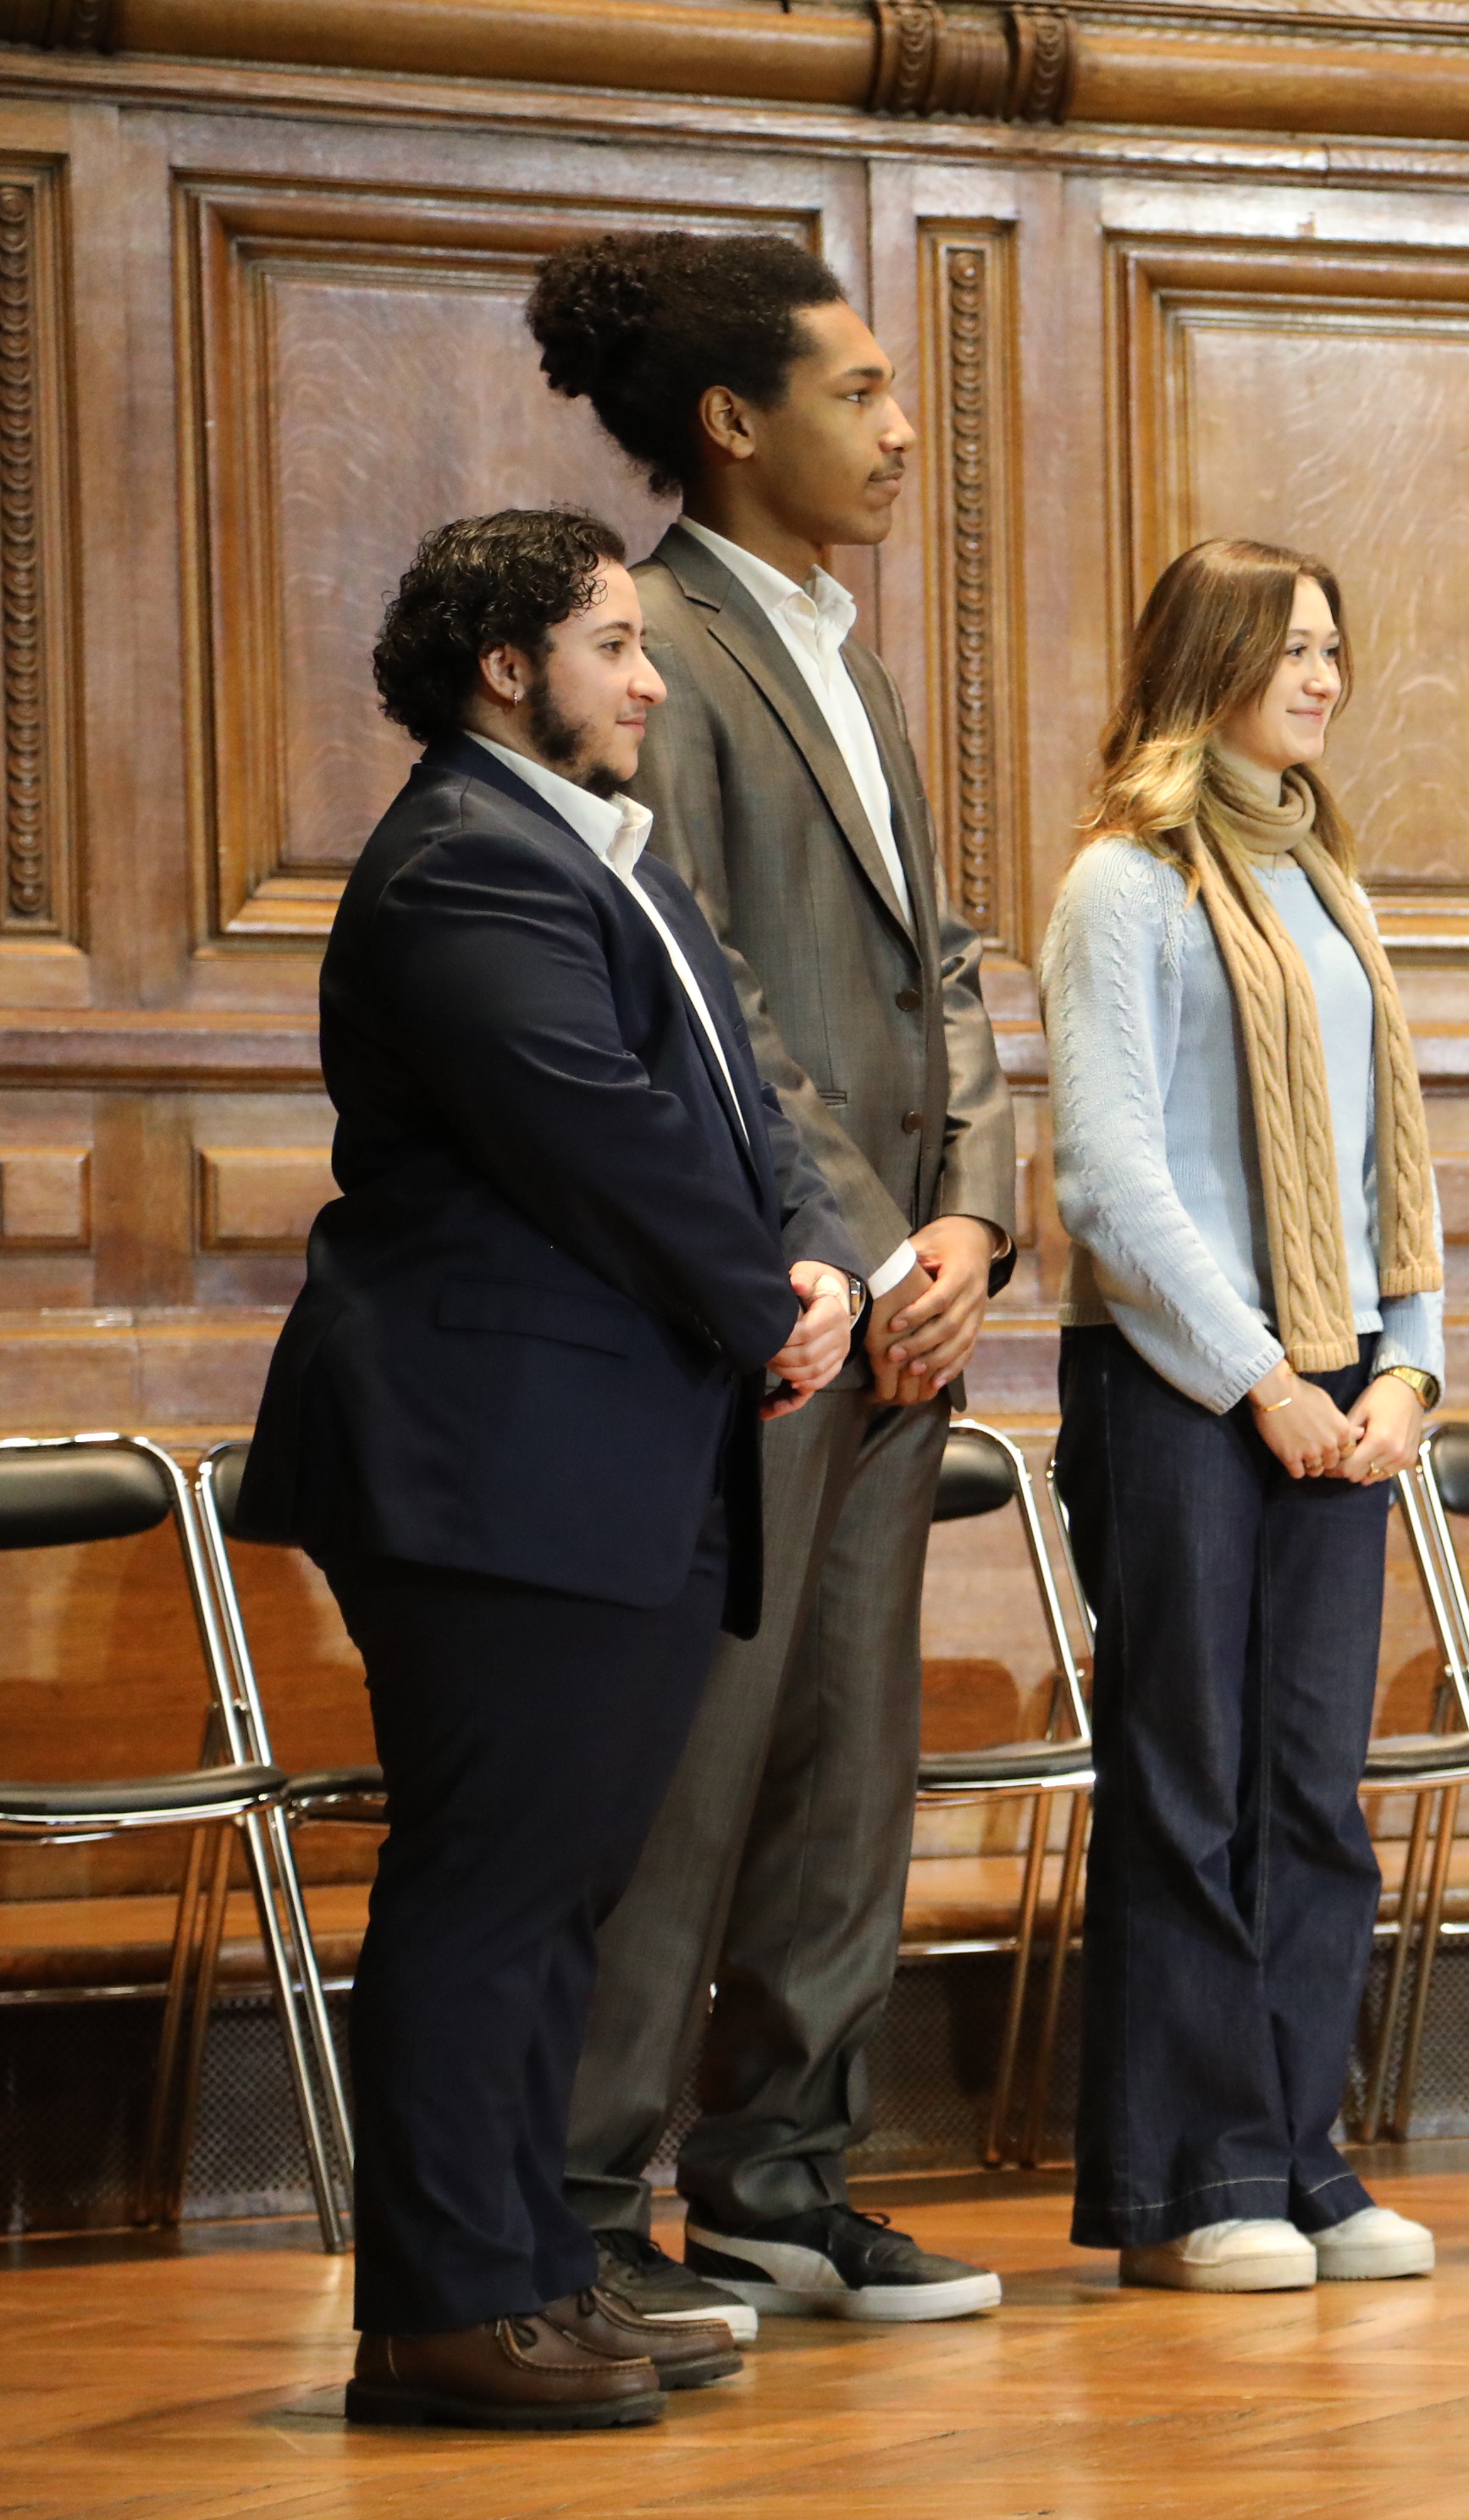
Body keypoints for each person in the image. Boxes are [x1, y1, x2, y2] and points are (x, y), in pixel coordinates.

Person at [235, 510, 859, 2426]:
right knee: (491, 1891)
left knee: (556, 1891)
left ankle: (529, 2266)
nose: (650, 677)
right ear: (508, 669)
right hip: (492, 1452)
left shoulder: (594, 852)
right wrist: (768, 1298)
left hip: (604, 1444)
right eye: (612, 643)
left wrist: (810, 1255)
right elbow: (593, 1131)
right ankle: (441, 2307)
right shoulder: (464, 865)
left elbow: (727, 1106)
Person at [524, 231, 1018, 2329]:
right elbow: (707, 987)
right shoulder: (670, 645)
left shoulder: (845, 646)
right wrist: (867, 1244)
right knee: (700, 1767)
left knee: (847, 1758)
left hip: (905, 1301)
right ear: (735, 422)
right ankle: (571, 2206)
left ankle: (781, 2180)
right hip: (770, 1316)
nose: (904, 430)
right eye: (864, 389)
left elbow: (949, 976)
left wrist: (980, 1215)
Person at [1041, 539, 1449, 2293]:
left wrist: (1409, 1358)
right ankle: (1192, 2180)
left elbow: (1382, 1160)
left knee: (1310, 1792)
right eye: (1293, 647)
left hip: (1343, 1378)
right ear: (1206, 657)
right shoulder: (1123, 885)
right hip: (1184, 1383)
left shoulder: (1326, 880)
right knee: (1184, 1783)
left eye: (1337, 649)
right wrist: (1263, 1377)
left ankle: (1302, 2154)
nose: (1326, 676)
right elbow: (1112, 1177)